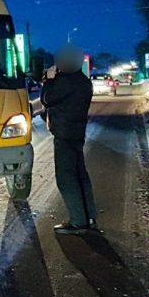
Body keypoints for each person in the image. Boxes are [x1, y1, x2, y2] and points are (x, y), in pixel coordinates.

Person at [40, 45, 100, 235]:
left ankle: (78, 222)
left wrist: (49, 80)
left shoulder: (65, 82)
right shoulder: (83, 81)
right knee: (80, 175)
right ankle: (89, 219)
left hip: (64, 134)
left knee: (66, 178)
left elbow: (46, 98)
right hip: (77, 132)